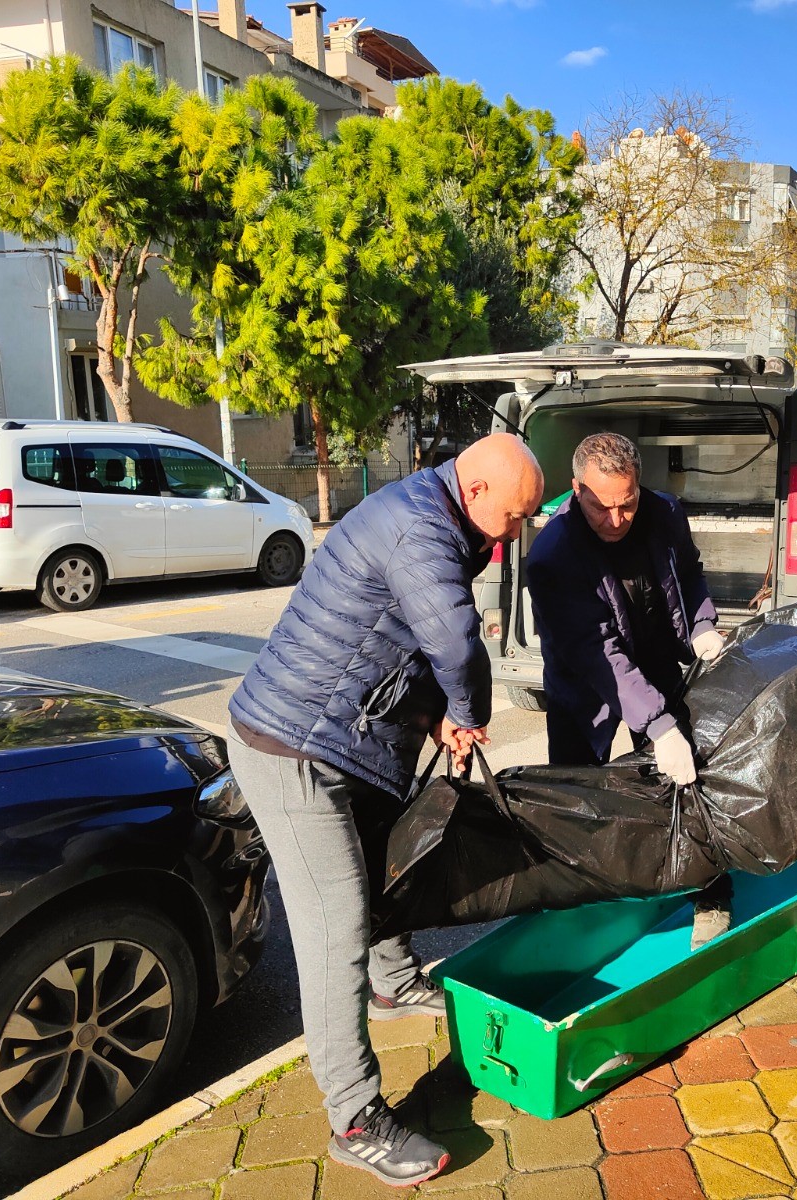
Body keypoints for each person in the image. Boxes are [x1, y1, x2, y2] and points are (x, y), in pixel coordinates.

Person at [227, 433, 544, 1186]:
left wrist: (434, 714)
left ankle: (395, 981)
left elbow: (400, 642)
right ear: (475, 493)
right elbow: (453, 641)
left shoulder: (443, 517)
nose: (518, 532)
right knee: (335, 927)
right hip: (293, 752)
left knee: (379, 865)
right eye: (515, 515)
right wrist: (466, 710)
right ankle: (354, 1116)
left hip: (343, 737)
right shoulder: (421, 528)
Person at [525, 432, 731, 945]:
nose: (617, 520)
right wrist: (657, 725)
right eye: (602, 508)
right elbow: (601, 658)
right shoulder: (554, 555)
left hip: (658, 658)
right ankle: (584, 904)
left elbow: (688, 570)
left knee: (684, 779)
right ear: (576, 490)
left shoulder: (663, 513)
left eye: (628, 503)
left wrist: (703, 622)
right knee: (578, 796)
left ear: (640, 486)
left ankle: (706, 889)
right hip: (585, 681)